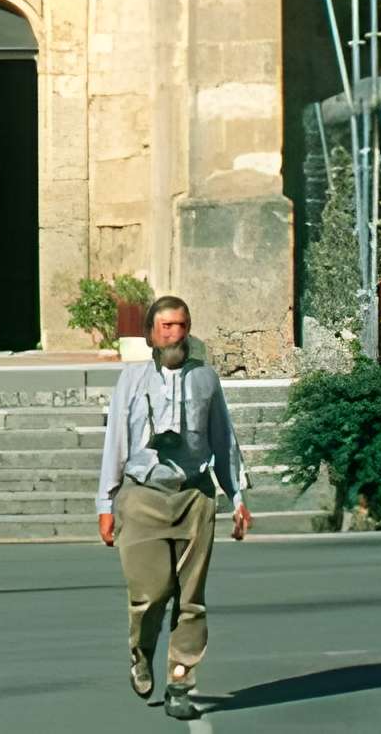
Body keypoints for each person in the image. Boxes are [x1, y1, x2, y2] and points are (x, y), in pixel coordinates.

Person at [95, 293, 249, 717]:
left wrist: (237, 497)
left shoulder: (206, 379)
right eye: (166, 327)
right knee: (150, 595)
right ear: (150, 334)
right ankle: (141, 653)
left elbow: (223, 440)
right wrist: (104, 503)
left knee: (191, 599)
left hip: (195, 496)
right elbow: (116, 445)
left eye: (182, 325)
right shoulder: (131, 379)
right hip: (141, 497)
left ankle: (181, 680)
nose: (175, 334)